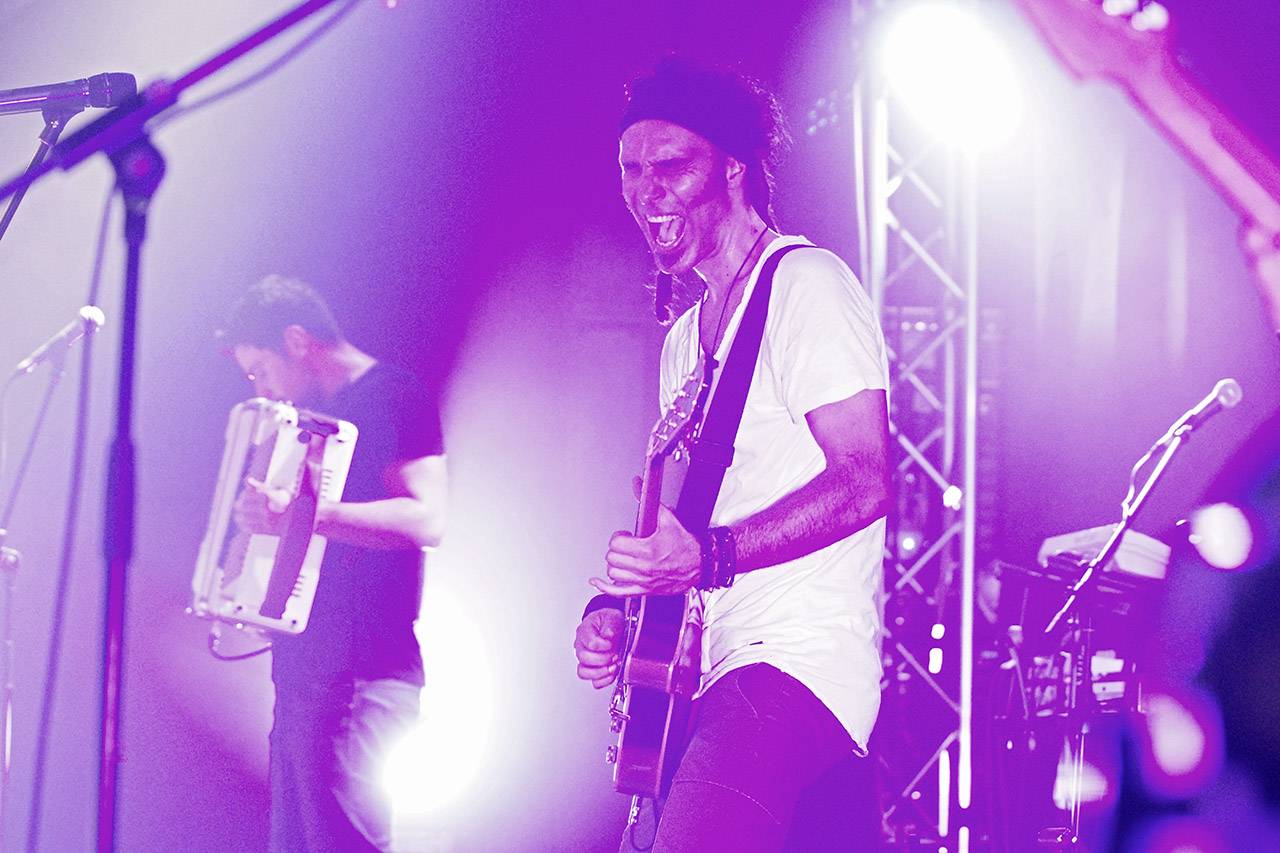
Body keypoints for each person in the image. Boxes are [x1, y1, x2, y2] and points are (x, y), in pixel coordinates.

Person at [572, 59, 891, 851]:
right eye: (631, 170)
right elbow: (685, 522)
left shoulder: (806, 284)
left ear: (733, 169)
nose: (647, 191)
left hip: (793, 661)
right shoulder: (683, 339)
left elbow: (865, 479)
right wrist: (618, 609)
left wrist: (710, 555)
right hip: (704, 672)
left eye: (672, 165)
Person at [220, 275, 447, 852]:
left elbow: (427, 519)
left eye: (261, 370)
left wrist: (303, 515)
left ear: (297, 341)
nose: (263, 388)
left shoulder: (394, 394)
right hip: (303, 675)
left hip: (363, 676)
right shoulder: (304, 418)